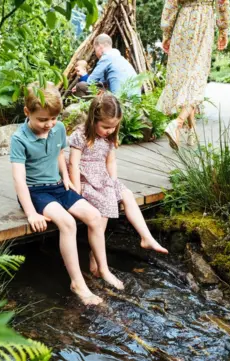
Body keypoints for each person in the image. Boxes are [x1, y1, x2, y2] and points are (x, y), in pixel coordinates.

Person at [10, 82, 124, 306]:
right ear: (27, 112)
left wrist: (68, 178)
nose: (49, 125)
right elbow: (19, 179)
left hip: (58, 186)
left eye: (53, 119)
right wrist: (32, 213)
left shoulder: (58, 128)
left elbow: (60, 155)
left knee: (93, 216)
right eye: (42, 120)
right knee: (68, 223)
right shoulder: (19, 139)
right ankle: (78, 283)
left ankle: (103, 268)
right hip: (35, 192)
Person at [69, 93, 168, 276]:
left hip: (104, 179)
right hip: (86, 180)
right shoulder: (80, 136)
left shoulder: (109, 137)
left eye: (114, 127)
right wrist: (75, 190)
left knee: (127, 195)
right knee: (105, 206)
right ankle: (95, 255)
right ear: (93, 119)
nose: (109, 130)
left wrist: (113, 182)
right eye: (106, 126)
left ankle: (146, 237)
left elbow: (111, 162)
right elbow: (73, 164)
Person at [157, 0, 229, 150]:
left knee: (184, 76)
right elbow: (222, 3)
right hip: (204, 22)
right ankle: (177, 123)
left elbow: (171, 3)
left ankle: (192, 131)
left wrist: (167, 32)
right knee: (198, 76)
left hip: (184, 23)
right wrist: (223, 29)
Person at [72, 34, 140, 97]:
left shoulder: (106, 57)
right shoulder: (119, 58)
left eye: (95, 49)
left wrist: (83, 75)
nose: (95, 53)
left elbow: (90, 82)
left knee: (80, 86)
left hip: (120, 101)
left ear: (100, 46)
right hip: (134, 101)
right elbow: (101, 83)